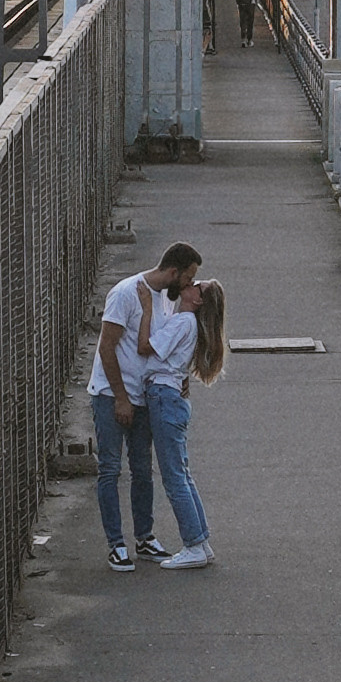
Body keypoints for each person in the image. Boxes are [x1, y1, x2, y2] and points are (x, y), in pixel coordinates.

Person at [87, 242, 201, 571]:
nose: (191, 284)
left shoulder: (166, 300)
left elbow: (161, 344)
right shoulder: (126, 293)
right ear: (174, 272)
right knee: (110, 468)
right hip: (113, 393)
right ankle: (116, 544)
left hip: (144, 395)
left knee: (142, 469)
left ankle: (144, 536)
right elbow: (106, 348)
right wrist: (121, 397)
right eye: (189, 277)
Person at [143, 277, 226, 570]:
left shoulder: (183, 322)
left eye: (198, 285)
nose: (192, 283)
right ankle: (200, 540)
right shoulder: (188, 322)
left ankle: (192, 544)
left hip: (163, 395)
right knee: (182, 473)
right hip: (172, 396)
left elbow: (148, 348)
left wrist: (144, 309)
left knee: (174, 477)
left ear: (198, 299)